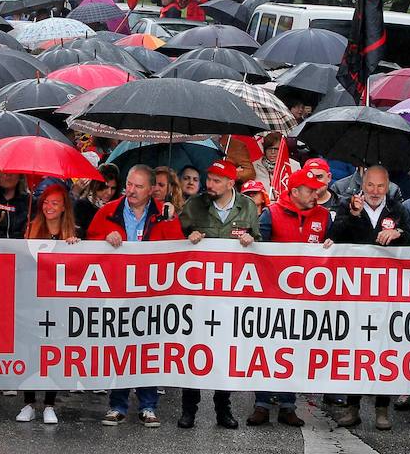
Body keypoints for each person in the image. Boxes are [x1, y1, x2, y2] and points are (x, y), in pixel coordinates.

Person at [88, 165, 183, 426]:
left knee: (148, 348)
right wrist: (104, 236)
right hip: (118, 289)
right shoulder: (109, 211)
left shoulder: (163, 213)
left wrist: (170, 219)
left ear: (152, 189)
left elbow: (177, 247)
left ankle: (148, 405)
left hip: (151, 292)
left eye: (138, 186)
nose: (131, 190)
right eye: (129, 184)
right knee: (121, 347)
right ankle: (117, 404)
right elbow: (90, 240)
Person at [329, 165, 410, 429]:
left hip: (388, 291)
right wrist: (353, 216)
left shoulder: (397, 210)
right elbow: (332, 238)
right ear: (362, 185)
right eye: (370, 185)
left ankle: (381, 408)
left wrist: (398, 233)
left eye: (380, 186)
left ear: (387, 186)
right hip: (356, 291)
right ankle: (352, 407)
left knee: (384, 349)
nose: (375, 191)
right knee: (357, 349)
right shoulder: (347, 205)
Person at [178, 160, 260, 429]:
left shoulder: (247, 206)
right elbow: (177, 236)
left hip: (232, 294)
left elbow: (258, 239)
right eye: (208, 179)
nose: (209, 185)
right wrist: (189, 236)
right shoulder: (195, 205)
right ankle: (188, 408)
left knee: (224, 351)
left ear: (230, 184)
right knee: (194, 348)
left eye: (215, 181)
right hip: (199, 293)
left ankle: (222, 408)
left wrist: (251, 241)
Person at [249, 166, 331, 428]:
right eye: (309, 189)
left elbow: (338, 244)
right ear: (294, 192)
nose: (315, 192)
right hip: (273, 293)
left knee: (295, 349)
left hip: (306, 296)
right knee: (268, 346)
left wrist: (332, 243)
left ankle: (287, 404)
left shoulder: (324, 215)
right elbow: (259, 243)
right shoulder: (272, 214)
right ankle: (261, 402)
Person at [17, 181, 78, 425]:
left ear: (64, 207)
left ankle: (50, 404)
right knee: (32, 350)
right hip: (33, 300)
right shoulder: (31, 228)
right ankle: (28, 403)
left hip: (59, 303)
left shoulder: (72, 233)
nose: (49, 207)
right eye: (46, 202)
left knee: (53, 352)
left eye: (55, 203)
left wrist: (76, 247)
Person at [0, 172, 31, 238]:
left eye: (12, 172)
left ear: (20, 176)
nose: (7, 175)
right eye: (4, 171)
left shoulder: (29, 201)